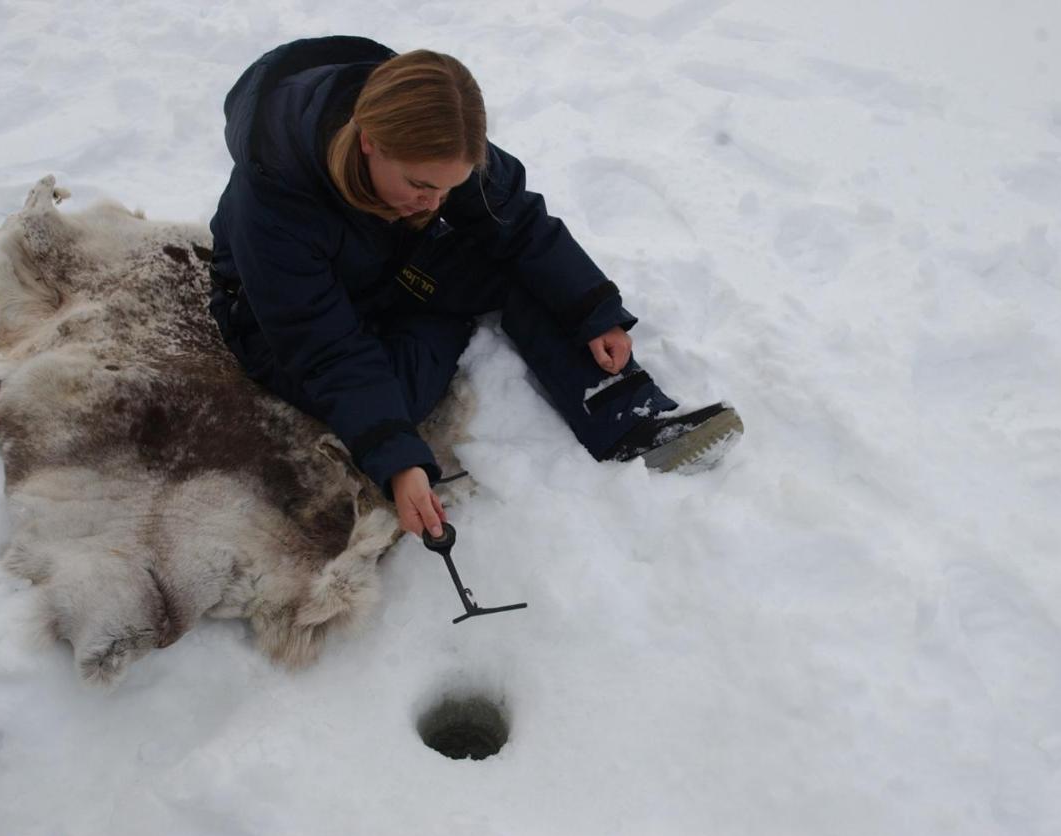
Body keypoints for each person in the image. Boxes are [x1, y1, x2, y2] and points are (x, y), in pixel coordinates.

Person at [208, 36, 743, 540]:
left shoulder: (436, 138)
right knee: (401, 401)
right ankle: (438, 321)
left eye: (449, 188)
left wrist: (595, 309)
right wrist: (397, 460)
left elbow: (517, 223)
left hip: (391, 263)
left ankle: (628, 419)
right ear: (369, 140)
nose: (433, 203)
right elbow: (324, 349)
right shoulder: (273, 202)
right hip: (274, 317)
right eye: (420, 186)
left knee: (521, 272)